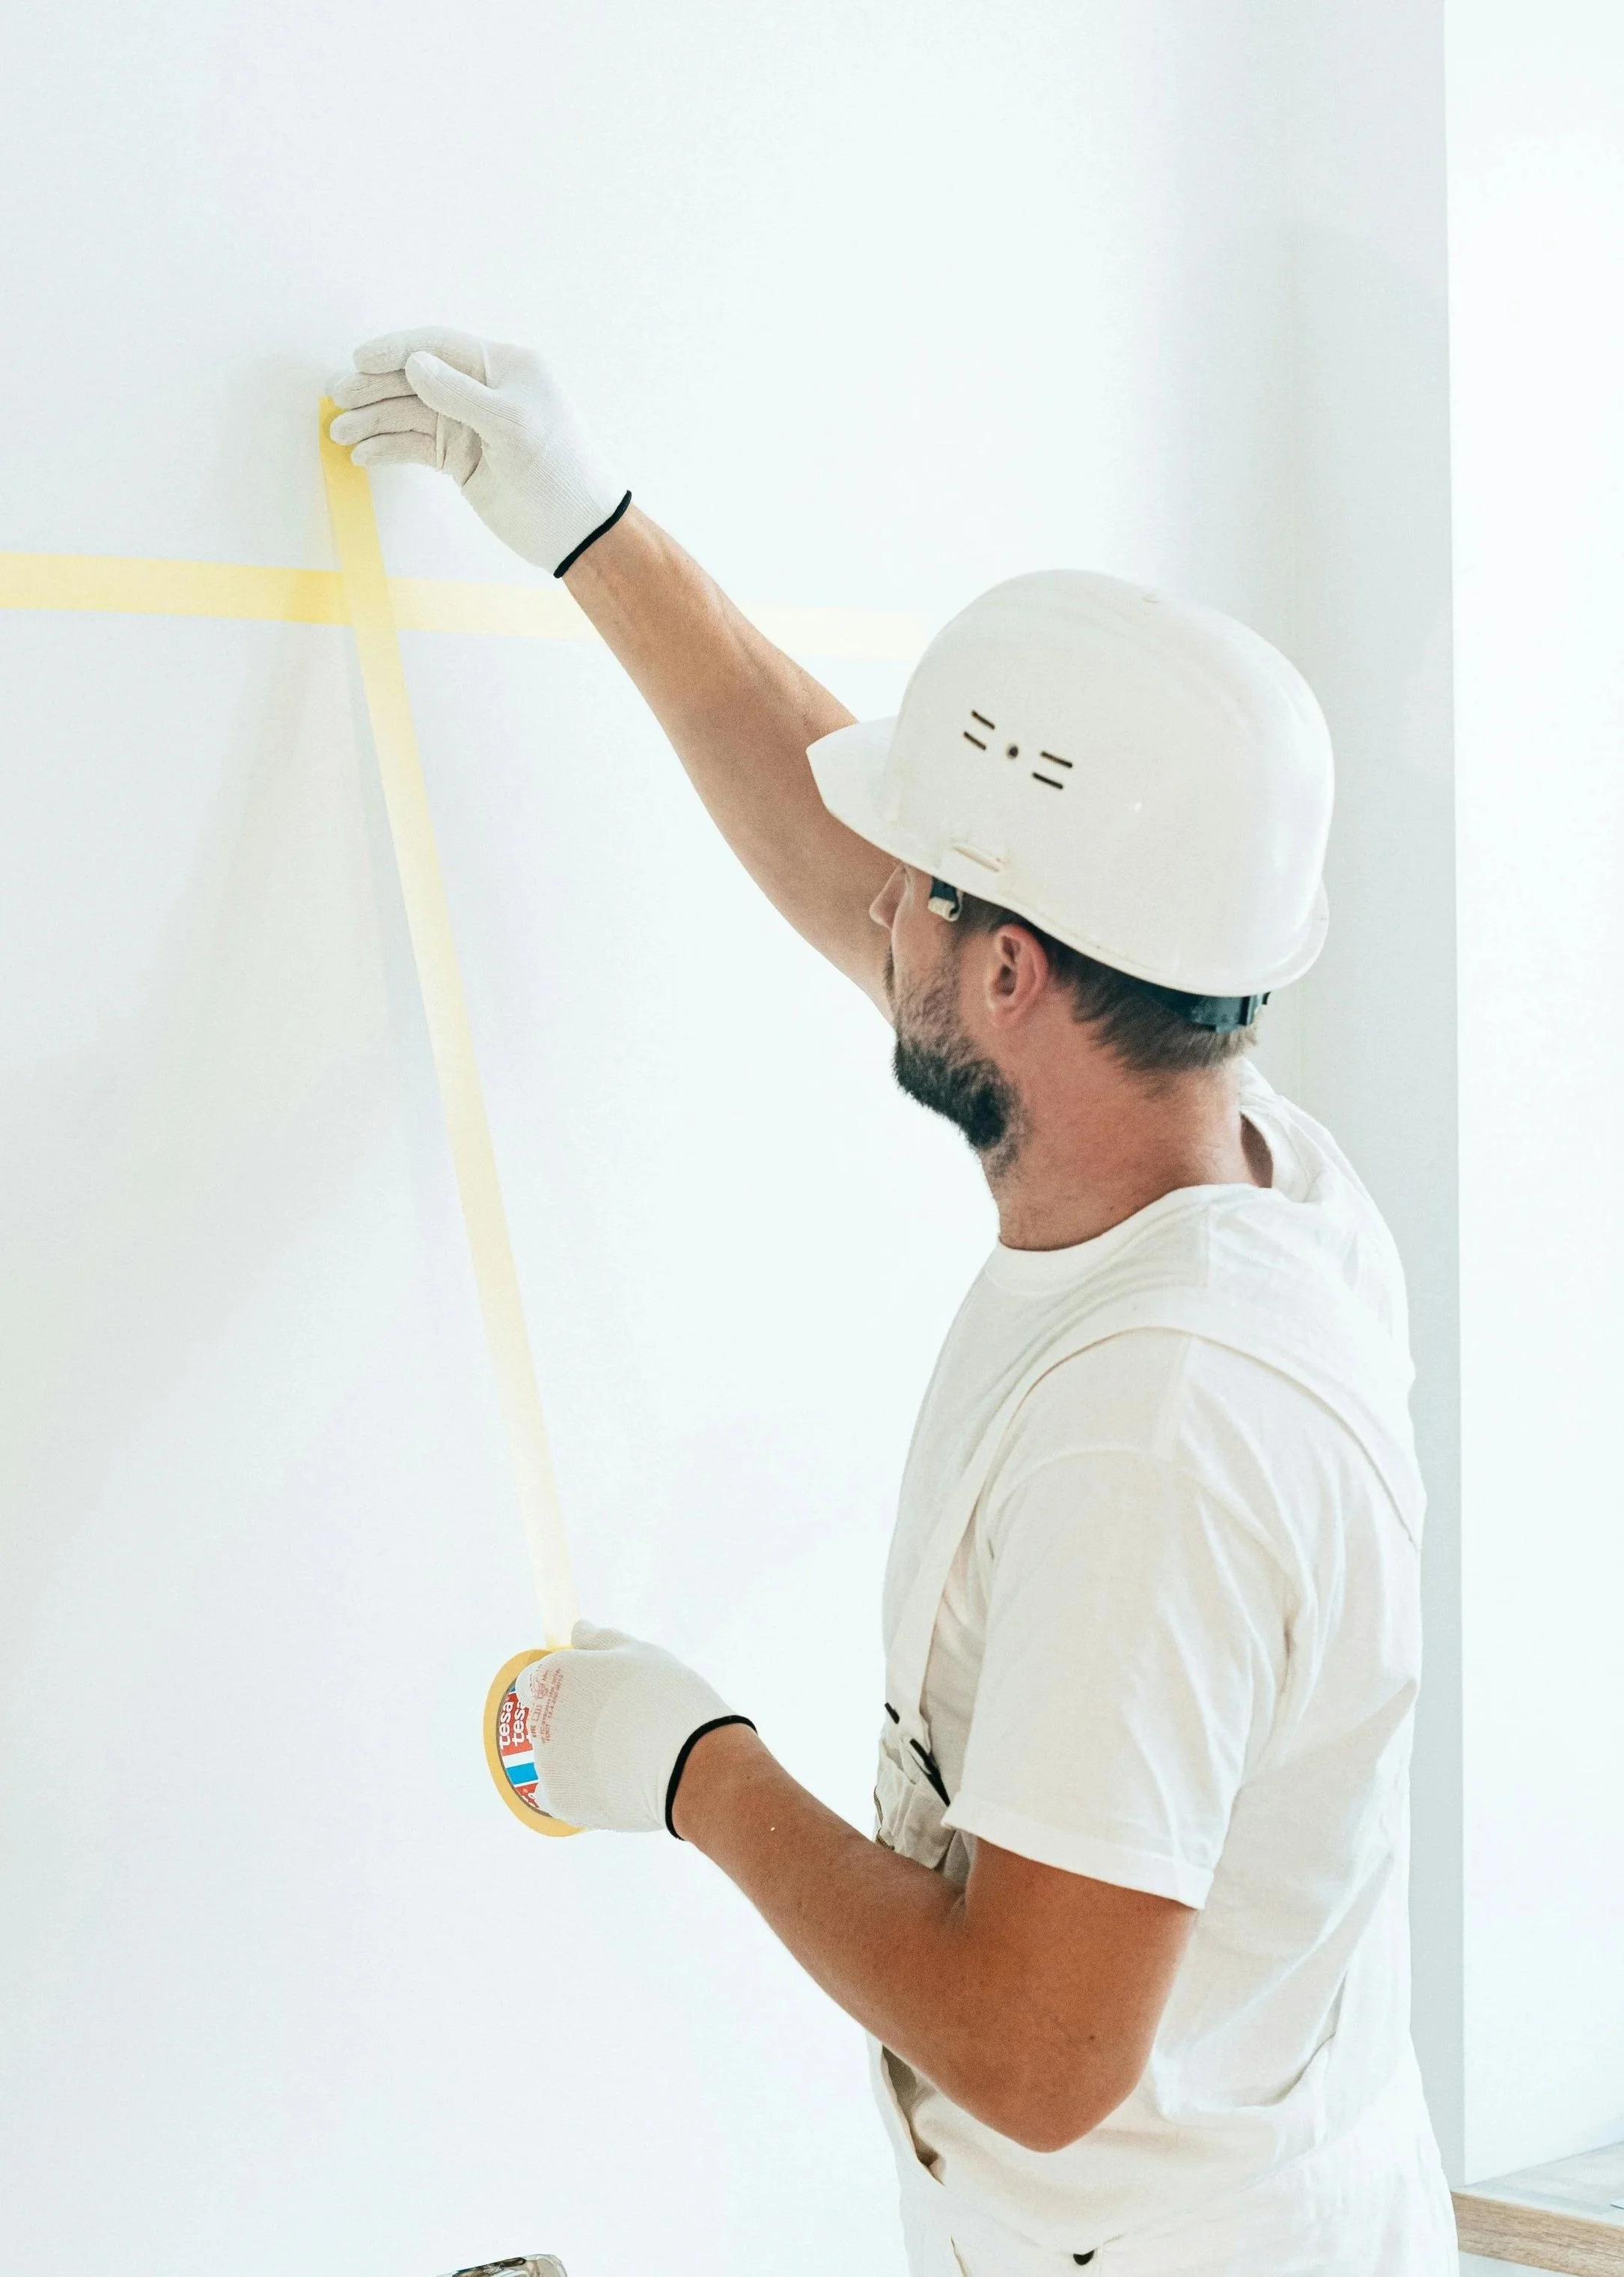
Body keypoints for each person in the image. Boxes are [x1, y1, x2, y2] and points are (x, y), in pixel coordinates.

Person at [330, 331, 1458, 2277]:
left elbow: (1035, 2050)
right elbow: (854, 849)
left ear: (1014, 975)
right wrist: (590, 526)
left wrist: (691, 1768)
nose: (880, 904)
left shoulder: (1160, 1445)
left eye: (927, 895)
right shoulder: (1214, 1140)